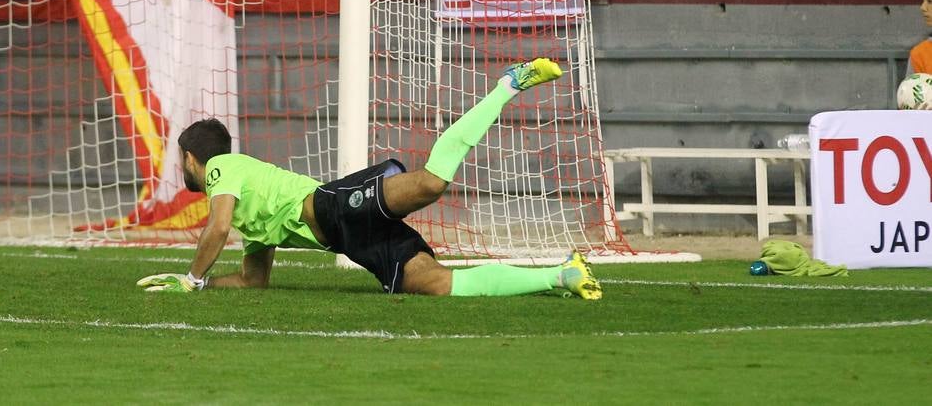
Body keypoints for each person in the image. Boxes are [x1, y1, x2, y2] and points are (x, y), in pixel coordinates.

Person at [134, 59, 604, 300]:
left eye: (182, 162)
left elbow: (215, 229)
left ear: (194, 159)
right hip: (352, 240)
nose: (184, 170)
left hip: (335, 208)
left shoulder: (222, 171)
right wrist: (198, 284)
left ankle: (507, 85)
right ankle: (562, 274)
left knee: (431, 183)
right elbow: (252, 282)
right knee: (439, 285)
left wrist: (193, 278)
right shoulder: (252, 213)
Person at [909, 0, 932, 76]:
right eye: (924, 1)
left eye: (930, 1)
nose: (922, 7)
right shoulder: (920, 54)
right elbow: (911, 91)